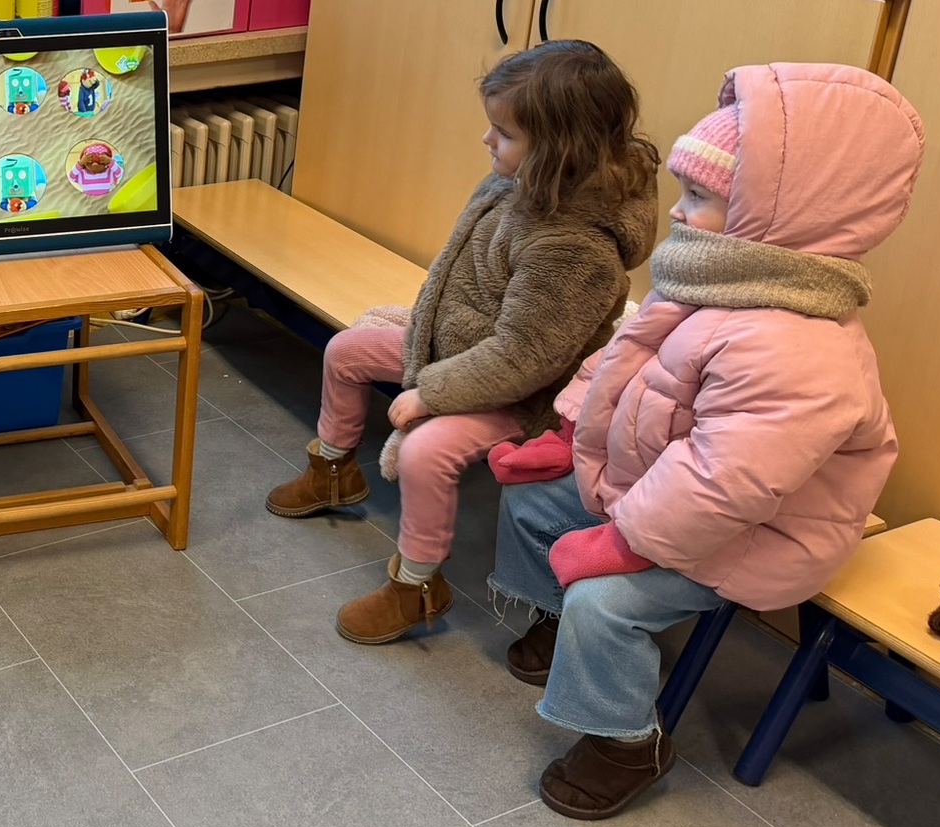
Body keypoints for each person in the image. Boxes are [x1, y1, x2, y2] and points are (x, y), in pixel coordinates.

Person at [491, 63, 922, 820]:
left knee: (604, 601)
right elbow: (623, 360)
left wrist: (623, 540)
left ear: (773, 217)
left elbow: (725, 483)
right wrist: (571, 431)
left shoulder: (800, 349)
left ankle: (626, 741)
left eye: (698, 196)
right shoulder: (716, 278)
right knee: (534, 504)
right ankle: (557, 621)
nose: (677, 211)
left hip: (757, 533)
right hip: (663, 493)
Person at [267, 40, 659, 644]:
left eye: (504, 133)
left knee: (426, 452)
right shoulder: (522, 180)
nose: (486, 140)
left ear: (559, 149)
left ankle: (416, 586)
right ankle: (333, 472)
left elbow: (524, 358)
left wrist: (430, 394)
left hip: (524, 394)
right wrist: (429, 346)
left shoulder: (575, 247)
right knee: (346, 351)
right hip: (459, 349)